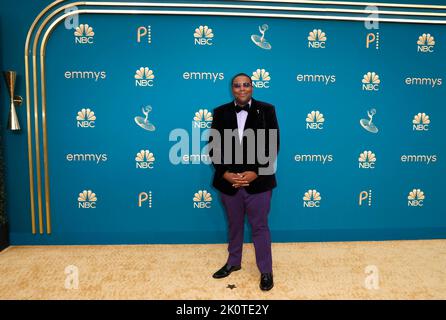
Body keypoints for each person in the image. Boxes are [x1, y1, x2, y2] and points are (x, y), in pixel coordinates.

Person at [208, 73, 280, 291]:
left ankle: (266, 271)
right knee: (235, 224)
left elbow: (273, 144)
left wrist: (256, 172)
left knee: (259, 226)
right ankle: (233, 262)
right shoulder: (220, 112)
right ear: (232, 89)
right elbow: (214, 147)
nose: (241, 89)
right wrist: (225, 173)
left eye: (246, 85)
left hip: (259, 182)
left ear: (252, 87)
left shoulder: (267, 110)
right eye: (237, 86)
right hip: (229, 181)